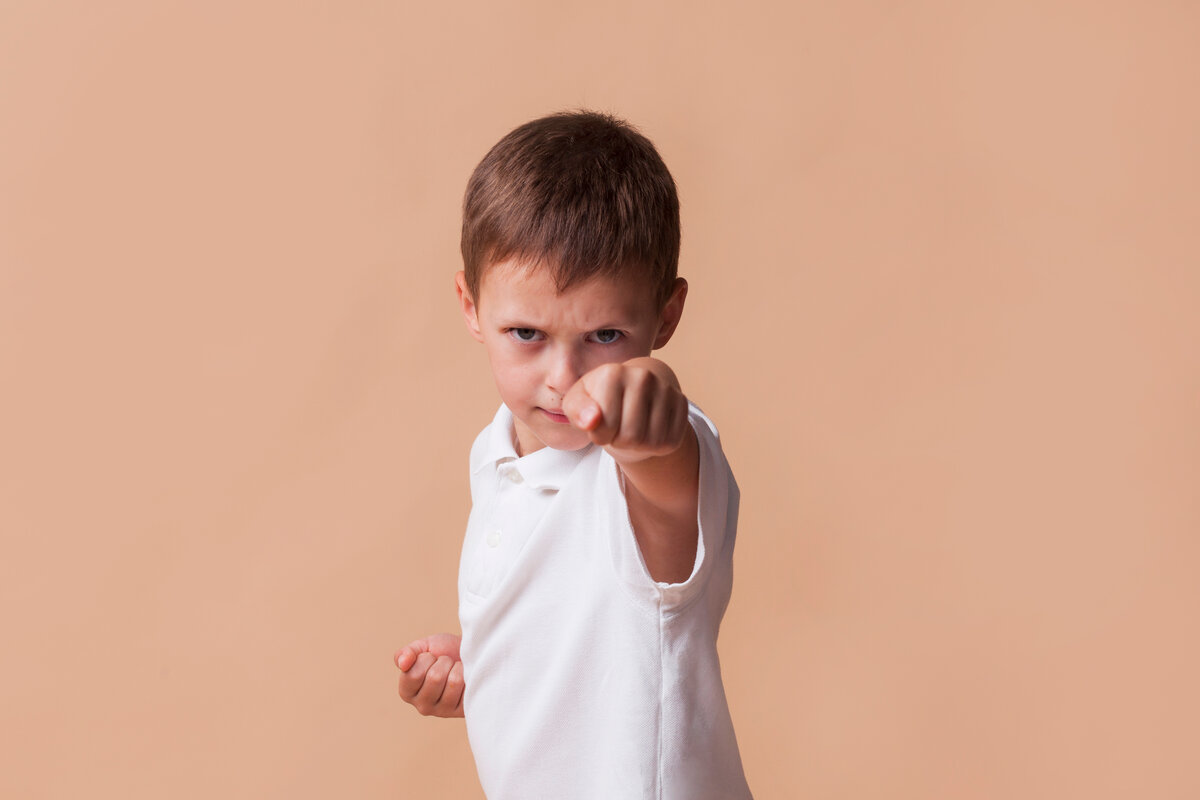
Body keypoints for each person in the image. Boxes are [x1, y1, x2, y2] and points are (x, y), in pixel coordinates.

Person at [394, 110, 752, 799]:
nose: (564, 377)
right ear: (470, 305)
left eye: (606, 336)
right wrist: (489, 668)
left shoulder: (654, 455)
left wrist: (653, 415)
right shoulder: (495, 453)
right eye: (527, 333)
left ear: (666, 316)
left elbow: (665, 483)